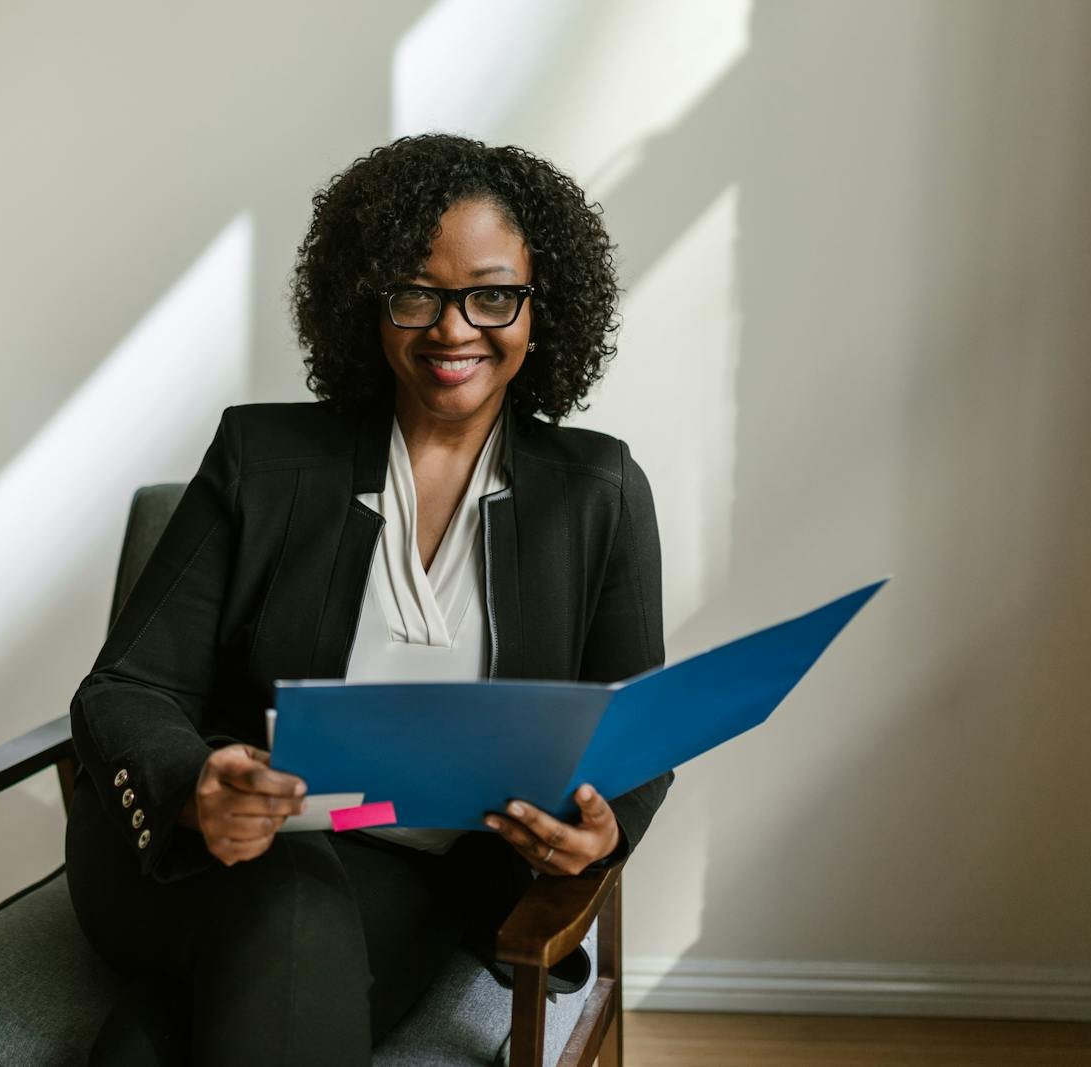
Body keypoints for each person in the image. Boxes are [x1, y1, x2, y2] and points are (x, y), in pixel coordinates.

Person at [64, 132, 671, 1065]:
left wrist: (602, 826)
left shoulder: (599, 491)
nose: (454, 327)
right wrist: (196, 788)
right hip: (205, 856)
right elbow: (127, 687)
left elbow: (637, 726)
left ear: (541, 311)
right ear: (369, 303)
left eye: (492, 294)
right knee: (288, 896)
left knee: (155, 1040)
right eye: (416, 292)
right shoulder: (262, 460)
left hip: (420, 876)